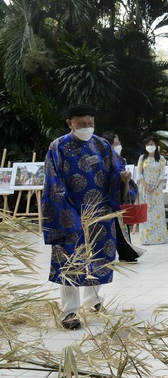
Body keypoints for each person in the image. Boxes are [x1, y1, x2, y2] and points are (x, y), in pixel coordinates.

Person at [42, 104, 132, 330]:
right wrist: (67, 213)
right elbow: (53, 182)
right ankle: (69, 312)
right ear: (69, 123)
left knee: (99, 258)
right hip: (70, 214)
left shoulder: (101, 145)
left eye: (90, 123)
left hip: (100, 214)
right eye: (81, 124)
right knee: (70, 262)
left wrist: (123, 179)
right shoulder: (58, 146)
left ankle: (93, 301)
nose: (86, 127)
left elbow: (115, 171)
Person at [102, 130, 145, 262]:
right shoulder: (103, 158)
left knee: (122, 228)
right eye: (116, 143)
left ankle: (126, 253)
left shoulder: (119, 159)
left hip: (119, 197)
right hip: (107, 199)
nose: (119, 145)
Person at [137, 136, 168, 245]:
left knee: (157, 212)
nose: (150, 146)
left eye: (152, 144)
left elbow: (162, 174)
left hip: (157, 189)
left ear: (156, 146)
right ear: (145, 146)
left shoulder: (161, 159)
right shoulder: (142, 158)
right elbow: (139, 173)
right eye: (148, 144)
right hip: (144, 189)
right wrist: (144, 185)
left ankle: (159, 238)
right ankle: (146, 238)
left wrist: (155, 186)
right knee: (146, 212)